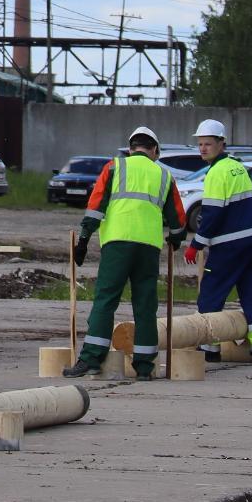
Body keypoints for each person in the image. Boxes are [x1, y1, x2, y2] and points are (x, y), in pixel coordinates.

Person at [62, 126, 188, 381]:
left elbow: (96, 206)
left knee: (106, 300)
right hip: (149, 248)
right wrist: (176, 239)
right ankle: (144, 367)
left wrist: (84, 239)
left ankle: (91, 360)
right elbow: (177, 218)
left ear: (131, 148)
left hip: (117, 244)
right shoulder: (164, 174)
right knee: (145, 306)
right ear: (154, 150)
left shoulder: (114, 167)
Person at [186, 119, 252, 363]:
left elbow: (212, 214)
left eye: (208, 144)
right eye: (200, 144)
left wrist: (196, 244)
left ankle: (209, 350)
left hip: (229, 245)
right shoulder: (238, 167)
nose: (203, 149)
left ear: (221, 144)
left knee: (211, 295)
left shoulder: (216, 173)